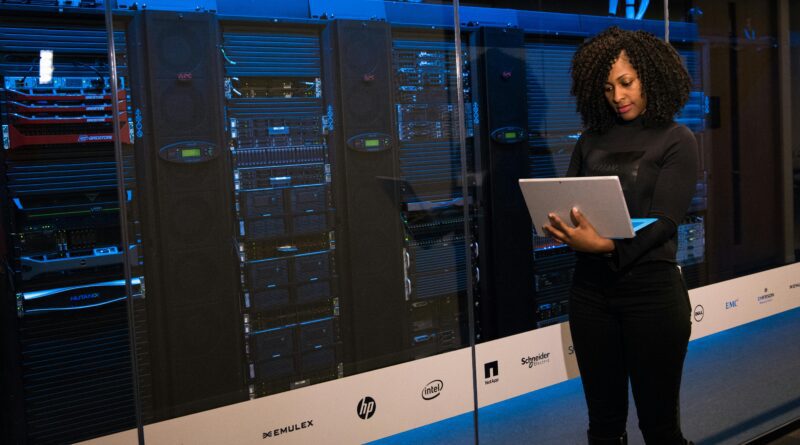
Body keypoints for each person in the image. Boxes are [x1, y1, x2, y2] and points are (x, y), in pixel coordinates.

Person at [542, 26, 698, 445]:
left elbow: (665, 219)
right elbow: (571, 199)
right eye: (608, 87)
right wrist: (559, 223)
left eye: (626, 83)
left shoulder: (677, 138)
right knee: (605, 426)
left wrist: (608, 246)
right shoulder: (590, 139)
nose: (617, 96)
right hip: (591, 295)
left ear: (650, 76)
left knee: (659, 428)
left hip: (652, 295)